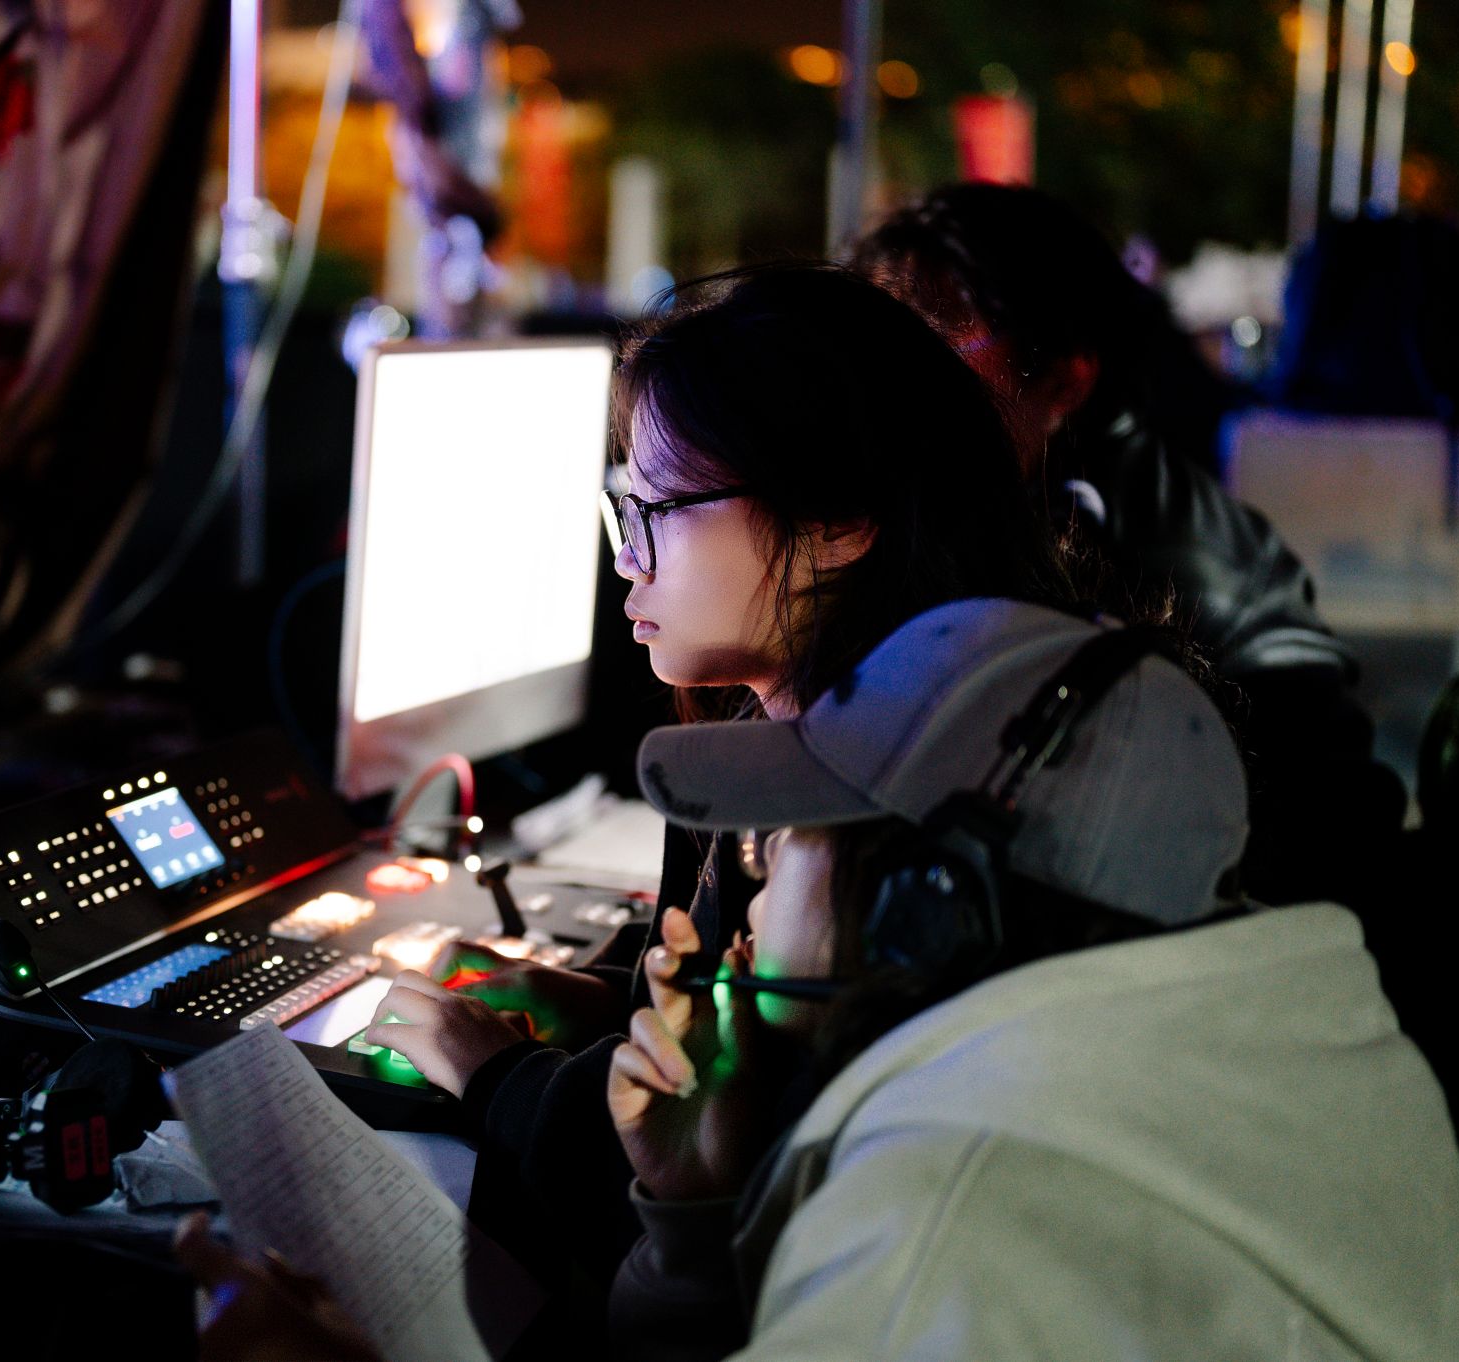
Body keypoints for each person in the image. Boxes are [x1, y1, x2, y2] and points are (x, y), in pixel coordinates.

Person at [360, 261, 1075, 1305]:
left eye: (657, 507)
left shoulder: (886, 852)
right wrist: (598, 1004)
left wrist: (497, 1078)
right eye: (623, 510)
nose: (626, 560)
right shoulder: (813, 740)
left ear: (836, 516)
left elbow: (730, 1177)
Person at [606, 597, 1459, 1362]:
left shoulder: (946, 1223)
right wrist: (707, 1215)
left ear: (926, 902)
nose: (761, 862)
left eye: (794, 828)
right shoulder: (1342, 1068)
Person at [852, 183, 1405, 910]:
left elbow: (1313, 821)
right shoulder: (963, 507)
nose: (887, 380)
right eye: (873, 341)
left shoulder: (1166, 556)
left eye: (932, 346)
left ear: (1065, 379)